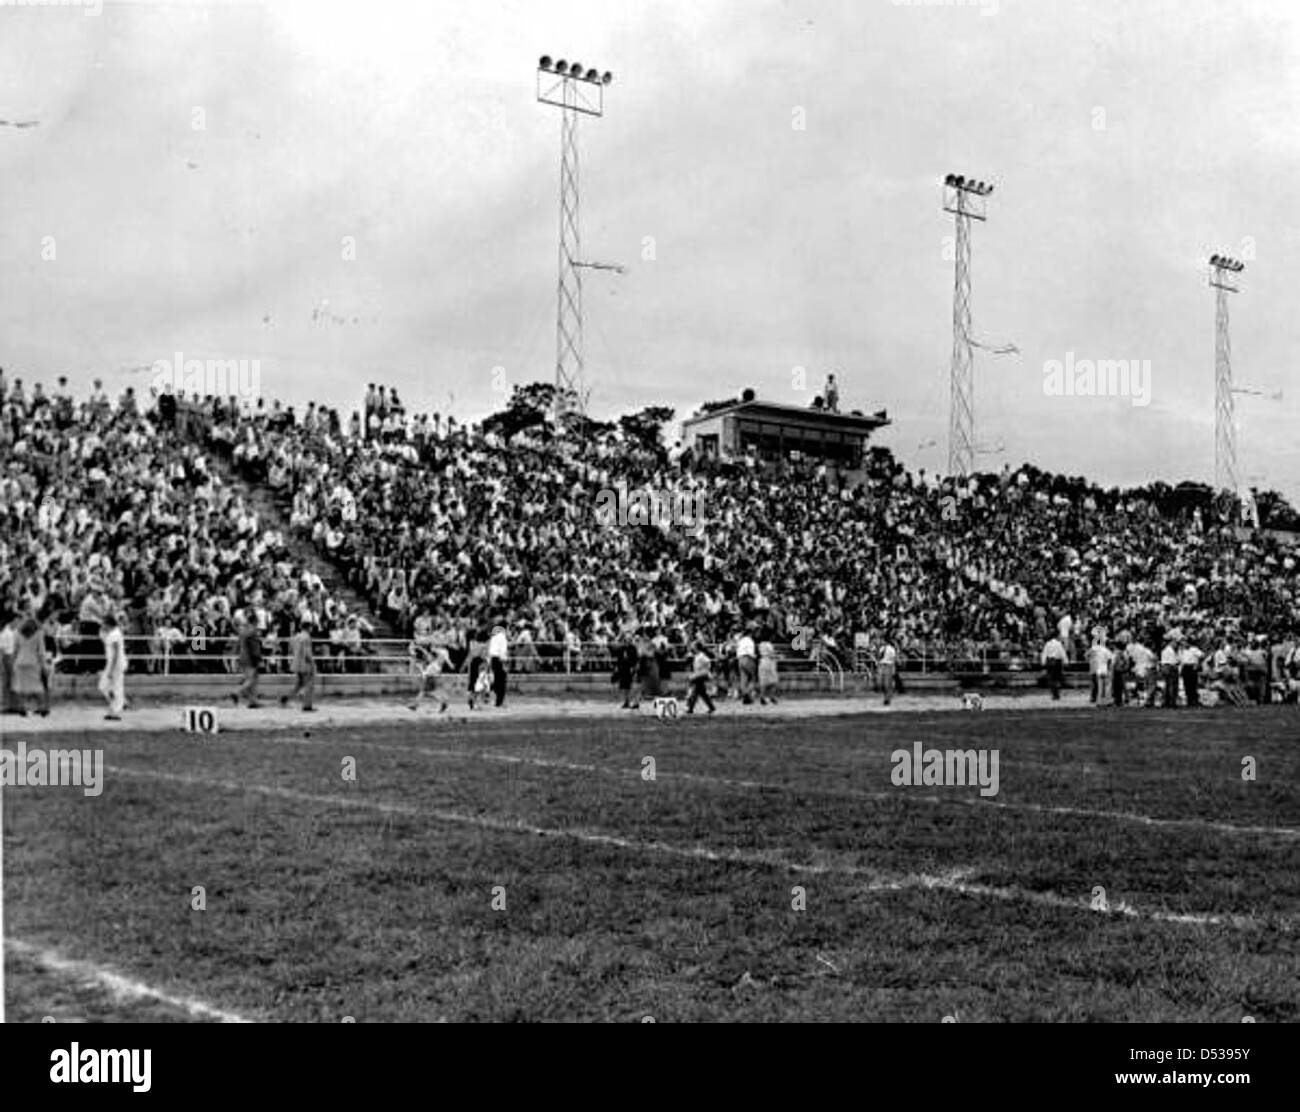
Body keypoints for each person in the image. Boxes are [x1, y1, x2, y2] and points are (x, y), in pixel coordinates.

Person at [12, 616, 49, 717]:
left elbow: (15, 650)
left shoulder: (17, 633)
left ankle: (22, 708)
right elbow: (41, 652)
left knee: (21, 687)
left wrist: (12, 663)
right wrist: (44, 665)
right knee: (37, 687)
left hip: (19, 662)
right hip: (33, 662)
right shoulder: (39, 634)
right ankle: (42, 707)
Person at [282, 621, 317, 711]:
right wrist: (312, 662)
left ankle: (287, 697)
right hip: (305, 664)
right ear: (308, 628)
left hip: (296, 663)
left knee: (299, 684)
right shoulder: (306, 637)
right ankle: (307, 705)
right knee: (309, 685)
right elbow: (307, 652)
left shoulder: (296, 637)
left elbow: (291, 649)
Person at [98, 612, 127, 720]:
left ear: (108, 623)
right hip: (113, 663)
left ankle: (115, 711)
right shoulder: (113, 633)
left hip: (116, 664)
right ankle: (117, 705)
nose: (102, 625)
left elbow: (116, 653)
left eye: (103, 623)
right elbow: (105, 640)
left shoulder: (115, 634)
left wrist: (111, 669)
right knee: (104, 686)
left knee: (116, 687)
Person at [409, 641, 450, 714]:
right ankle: (415, 705)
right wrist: (419, 647)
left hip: (431, 676)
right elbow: (427, 655)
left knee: (426, 692)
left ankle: (443, 702)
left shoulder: (434, 660)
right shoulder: (434, 660)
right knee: (426, 692)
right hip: (431, 675)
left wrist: (418, 647)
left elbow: (427, 656)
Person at [233, 615, 263, 708]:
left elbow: (238, 645)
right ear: (255, 622)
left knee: (252, 680)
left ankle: (253, 701)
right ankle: (236, 692)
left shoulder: (243, 631)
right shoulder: (253, 633)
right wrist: (259, 659)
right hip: (250, 658)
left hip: (242, 657)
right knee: (250, 680)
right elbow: (254, 648)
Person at [685, 642, 716, 715]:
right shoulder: (697, 655)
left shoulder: (701, 656)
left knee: (695, 691)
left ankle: (690, 708)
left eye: (693, 646)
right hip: (699, 674)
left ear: (696, 647)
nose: (692, 648)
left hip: (701, 675)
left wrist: (705, 671)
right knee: (702, 693)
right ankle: (711, 707)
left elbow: (708, 662)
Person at [612, 634, 638, 709]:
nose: (627, 641)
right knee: (624, 686)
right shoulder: (621, 649)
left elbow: (635, 659)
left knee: (630, 686)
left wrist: (634, 667)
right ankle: (626, 701)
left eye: (628, 640)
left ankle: (635, 702)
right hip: (623, 668)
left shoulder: (633, 648)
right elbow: (619, 659)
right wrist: (617, 667)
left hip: (630, 668)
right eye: (625, 640)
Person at [487, 624, 509, 707]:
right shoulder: (502, 637)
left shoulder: (493, 637)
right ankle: (499, 701)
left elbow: (490, 650)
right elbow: (503, 651)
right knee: (501, 681)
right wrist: (504, 663)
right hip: (499, 659)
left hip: (493, 659)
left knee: (496, 680)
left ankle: (495, 700)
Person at [1087, 637, 1112, 705]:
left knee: (1099, 686)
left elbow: (1086, 655)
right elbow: (1110, 660)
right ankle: (1107, 701)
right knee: (1107, 686)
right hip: (1105, 668)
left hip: (1098, 669)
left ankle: (1098, 701)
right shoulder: (1106, 650)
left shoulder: (1094, 649)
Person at [1041, 634, 1066, 700]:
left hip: (1050, 661)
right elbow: (1062, 653)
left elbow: (1044, 653)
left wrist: (1043, 662)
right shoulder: (1058, 644)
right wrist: (1066, 661)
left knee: (1051, 678)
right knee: (1057, 678)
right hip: (1057, 661)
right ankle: (1056, 693)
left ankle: (1054, 693)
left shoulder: (1047, 644)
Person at [1179, 639, 1204, 708]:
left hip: (1192, 667)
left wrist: (1198, 664)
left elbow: (1202, 656)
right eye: (1182, 644)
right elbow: (1181, 661)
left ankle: (1195, 701)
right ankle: (1189, 701)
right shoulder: (1181, 651)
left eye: (1185, 643)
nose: (1184, 645)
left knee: (1193, 684)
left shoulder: (1194, 649)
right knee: (1186, 685)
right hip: (1185, 667)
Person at [736, 629, 757, 705]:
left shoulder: (740, 641)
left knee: (743, 679)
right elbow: (750, 652)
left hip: (740, 659)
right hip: (748, 658)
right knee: (752, 678)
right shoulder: (750, 641)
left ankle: (745, 695)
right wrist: (755, 657)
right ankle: (748, 694)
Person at [1159, 635, 1180, 708]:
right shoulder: (1169, 650)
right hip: (1170, 667)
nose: (1176, 644)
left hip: (1166, 667)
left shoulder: (1166, 650)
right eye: (1175, 643)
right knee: (1172, 686)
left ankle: (1166, 702)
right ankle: (1171, 702)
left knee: (1167, 685)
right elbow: (1173, 661)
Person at [757, 638, 779, 705]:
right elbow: (771, 654)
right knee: (774, 681)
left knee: (763, 682)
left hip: (762, 662)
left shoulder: (760, 644)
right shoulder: (768, 644)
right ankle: (772, 697)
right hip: (769, 662)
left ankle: (762, 697)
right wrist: (777, 656)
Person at [878, 636, 898, 706]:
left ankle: (887, 698)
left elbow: (894, 659)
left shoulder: (891, 649)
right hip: (883, 665)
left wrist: (893, 668)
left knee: (887, 684)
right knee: (883, 683)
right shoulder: (882, 648)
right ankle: (886, 697)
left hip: (888, 665)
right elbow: (879, 657)